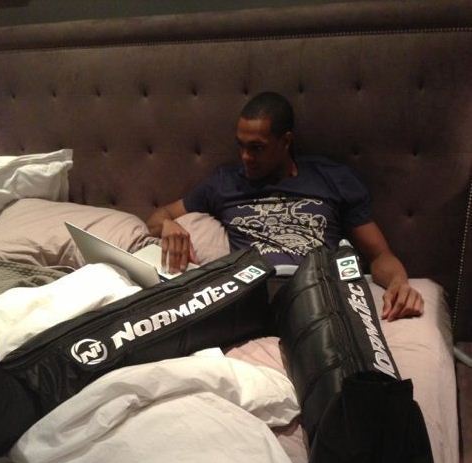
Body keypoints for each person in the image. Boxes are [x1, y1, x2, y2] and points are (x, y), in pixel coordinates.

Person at [147, 92, 423, 321]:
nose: (245, 157)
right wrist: (169, 224)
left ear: (286, 142)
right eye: (241, 146)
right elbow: (158, 218)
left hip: (315, 290)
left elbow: (379, 255)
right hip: (250, 292)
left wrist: (399, 282)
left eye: (257, 148)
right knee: (162, 319)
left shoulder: (332, 179)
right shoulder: (224, 183)